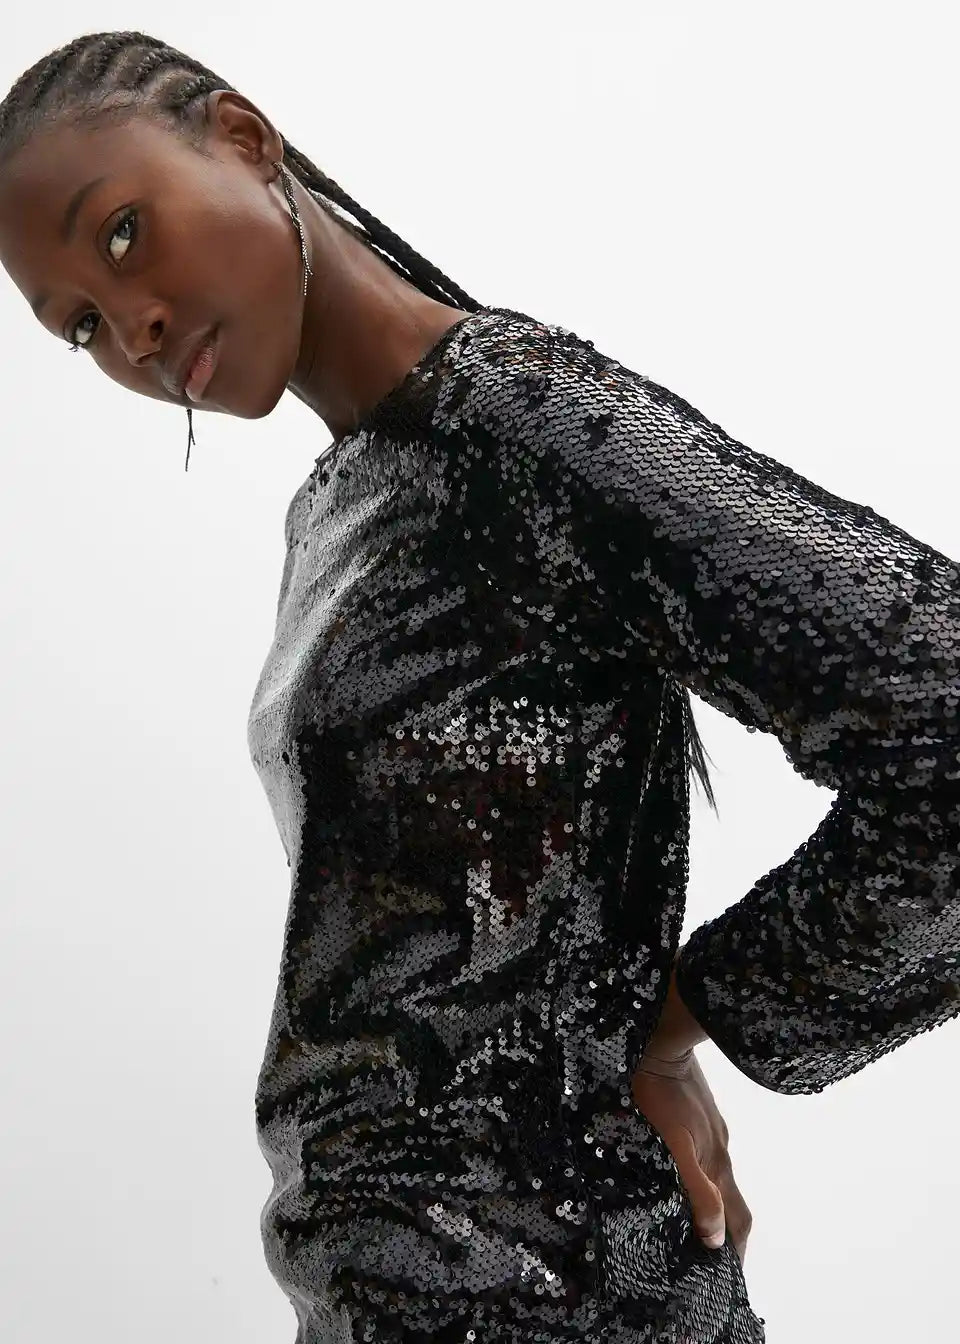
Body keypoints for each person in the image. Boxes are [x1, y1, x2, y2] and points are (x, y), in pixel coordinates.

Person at [1, 28, 956, 1344]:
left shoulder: (525, 423)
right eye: (81, 329)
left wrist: (684, 1022)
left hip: (557, 1293)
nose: (134, 330)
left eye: (122, 235)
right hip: (388, 1296)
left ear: (244, 140)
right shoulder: (342, 503)